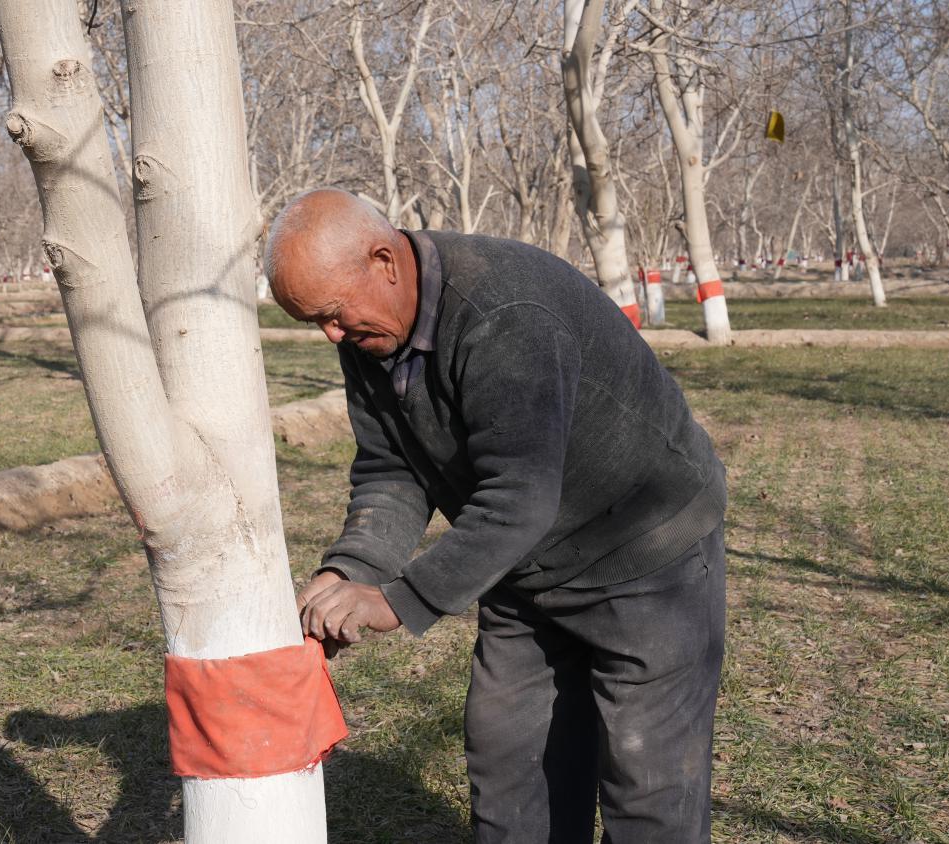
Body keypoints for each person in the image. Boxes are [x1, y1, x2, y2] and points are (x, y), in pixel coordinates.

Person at [264, 188, 727, 844]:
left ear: (384, 262)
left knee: (645, 776)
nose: (331, 336)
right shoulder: (368, 331)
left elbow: (518, 498)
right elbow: (393, 468)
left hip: (644, 553)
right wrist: (352, 566)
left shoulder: (503, 311)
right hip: (526, 567)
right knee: (510, 757)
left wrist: (399, 600)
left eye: (334, 314)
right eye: (315, 322)